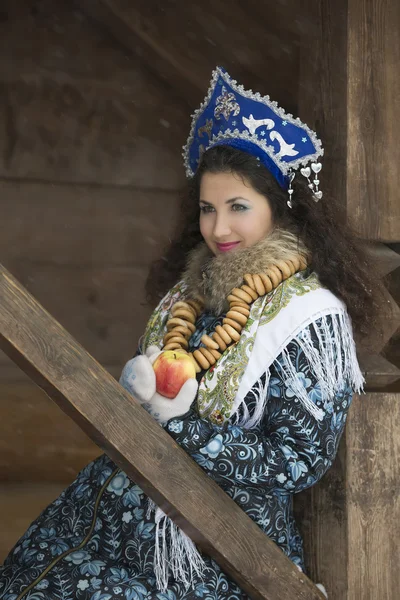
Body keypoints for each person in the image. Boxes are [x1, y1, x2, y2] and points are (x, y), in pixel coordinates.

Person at [0, 66, 383, 600]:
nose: (218, 229)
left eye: (238, 208)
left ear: (280, 209)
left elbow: (298, 460)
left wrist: (183, 428)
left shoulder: (311, 316)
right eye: (208, 209)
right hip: (113, 517)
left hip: (213, 547)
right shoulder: (188, 294)